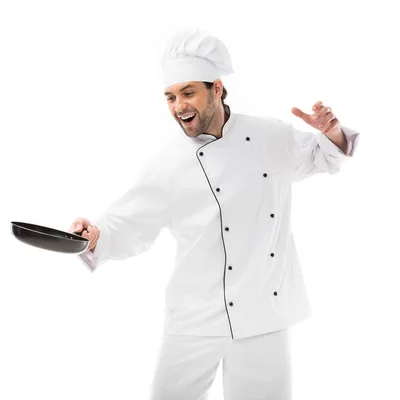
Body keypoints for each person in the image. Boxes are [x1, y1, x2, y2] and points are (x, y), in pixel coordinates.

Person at [68, 28, 360, 400]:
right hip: (194, 318)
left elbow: (324, 156)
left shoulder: (269, 136)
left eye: (188, 93)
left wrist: (331, 133)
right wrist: (95, 235)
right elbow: (127, 223)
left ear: (217, 89)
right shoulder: (166, 162)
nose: (179, 106)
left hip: (263, 314)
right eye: (171, 97)